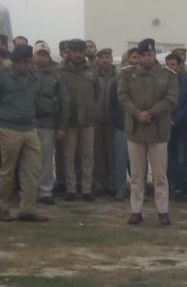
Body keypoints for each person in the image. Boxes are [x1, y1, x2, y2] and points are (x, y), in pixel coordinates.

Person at [0, 44, 47, 222]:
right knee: (8, 171)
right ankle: (3, 208)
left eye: (30, 61)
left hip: (30, 128)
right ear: (16, 63)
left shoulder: (36, 79)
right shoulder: (1, 76)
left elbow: (37, 101)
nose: (28, 65)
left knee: (33, 170)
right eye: (24, 62)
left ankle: (28, 209)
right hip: (8, 128)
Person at [117, 38, 178, 226]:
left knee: (160, 176)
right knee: (136, 175)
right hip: (136, 130)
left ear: (154, 54)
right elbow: (123, 97)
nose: (146, 58)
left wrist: (151, 113)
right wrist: (137, 113)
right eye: (143, 55)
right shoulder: (127, 74)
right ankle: (136, 211)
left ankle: (163, 211)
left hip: (158, 130)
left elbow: (171, 99)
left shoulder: (167, 75)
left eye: (149, 55)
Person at [58, 38, 99, 201]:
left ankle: (87, 189)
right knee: (69, 156)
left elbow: (97, 92)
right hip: (69, 120)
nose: (77, 55)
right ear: (69, 52)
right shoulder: (60, 70)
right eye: (74, 51)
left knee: (88, 156)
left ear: (84, 53)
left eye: (80, 52)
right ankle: (71, 189)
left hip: (87, 119)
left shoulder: (92, 70)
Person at [34, 41, 68, 205]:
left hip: (48, 122)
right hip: (28, 122)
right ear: (33, 56)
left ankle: (46, 190)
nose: (42, 58)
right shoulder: (26, 74)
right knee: (28, 159)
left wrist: (61, 126)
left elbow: (63, 101)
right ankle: (28, 190)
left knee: (46, 159)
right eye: (39, 54)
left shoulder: (56, 76)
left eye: (45, 55)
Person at [165, 52, 187, 200]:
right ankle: (168, 185)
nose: (170, 67)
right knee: (166, 158)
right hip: (164, 126)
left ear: (179, 66)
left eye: (173, 64)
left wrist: (175, 119)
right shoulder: (162, 83)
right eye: (168, 64)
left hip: (182, 127)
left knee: (180, 157)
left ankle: (179, 187)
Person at [110, 48, 139, 201]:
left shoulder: (144, 79)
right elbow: (112, 103)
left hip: (140, 126)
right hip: (121, 125)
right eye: (132, 58)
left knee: (138, 162)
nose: (135, 61)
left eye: (137, 58)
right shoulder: (117, 80)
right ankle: (120, 189)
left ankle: (138, 191)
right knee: (120, 160)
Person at [93, 47, 117, 194]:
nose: (105, 60)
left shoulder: (118, 77)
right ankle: (99, 184)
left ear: (112, 59)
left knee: (112, 153)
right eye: (102, 58)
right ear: (98, 60)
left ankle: (112, 184)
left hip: (112, 121)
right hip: (96, 120)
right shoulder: (93, 76)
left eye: (107, 57)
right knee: (98, 153)